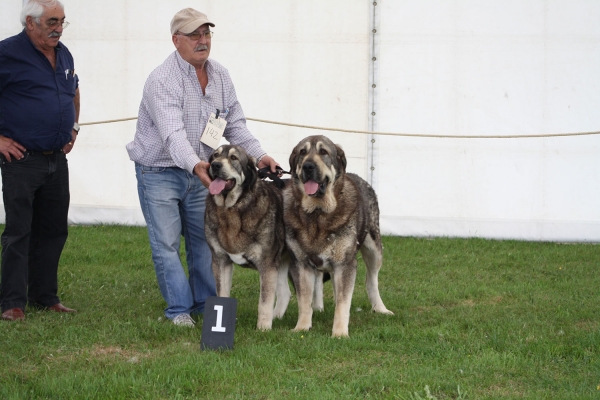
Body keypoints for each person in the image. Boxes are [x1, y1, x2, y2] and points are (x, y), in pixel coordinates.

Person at [126, 8, 280, 327]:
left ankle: (206, 308)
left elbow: (234, 124)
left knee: (203, 242)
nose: (202, 41)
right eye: (194, 35)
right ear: (176, 41)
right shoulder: (162, 80)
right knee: (167, 244)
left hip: (204, 174)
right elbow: (172, 134)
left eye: (206, 34)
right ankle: (179, 311)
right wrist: (197, 164)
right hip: (160, 172)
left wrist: (259, 155)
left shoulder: (221, 75)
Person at [0, 0, 80, 322]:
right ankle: (12, 302)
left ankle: (45, 296)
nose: (58, 27)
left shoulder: (64, 53)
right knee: (19, 231)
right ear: (30, 23)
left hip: (56, 160)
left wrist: (73, 127)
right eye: (51, 21)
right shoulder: (7, 54)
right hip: (22, 159)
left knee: (54, 230)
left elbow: (73, 90)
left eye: (61, 21)